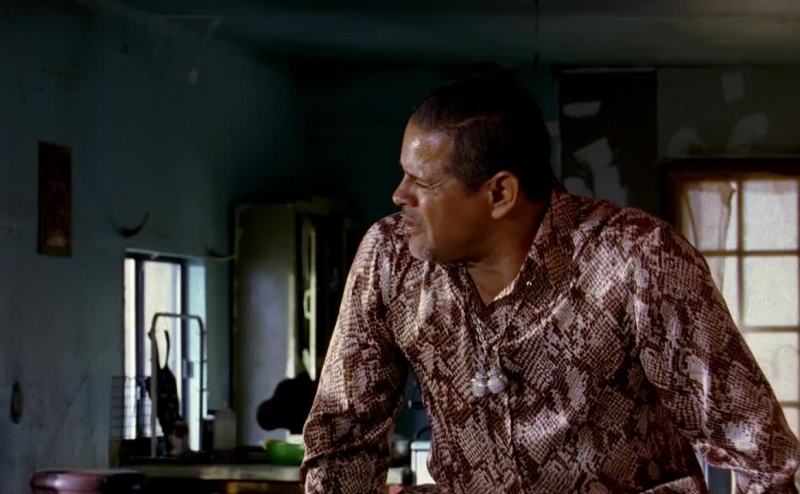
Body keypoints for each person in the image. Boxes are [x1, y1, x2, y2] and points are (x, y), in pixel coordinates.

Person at [300, 71, 800, 492]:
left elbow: (760, 455)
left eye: (423, 182)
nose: (398, 195)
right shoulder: (390, 257)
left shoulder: (639, 259)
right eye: (403, 174)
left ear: (500, 193)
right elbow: (341, 438)